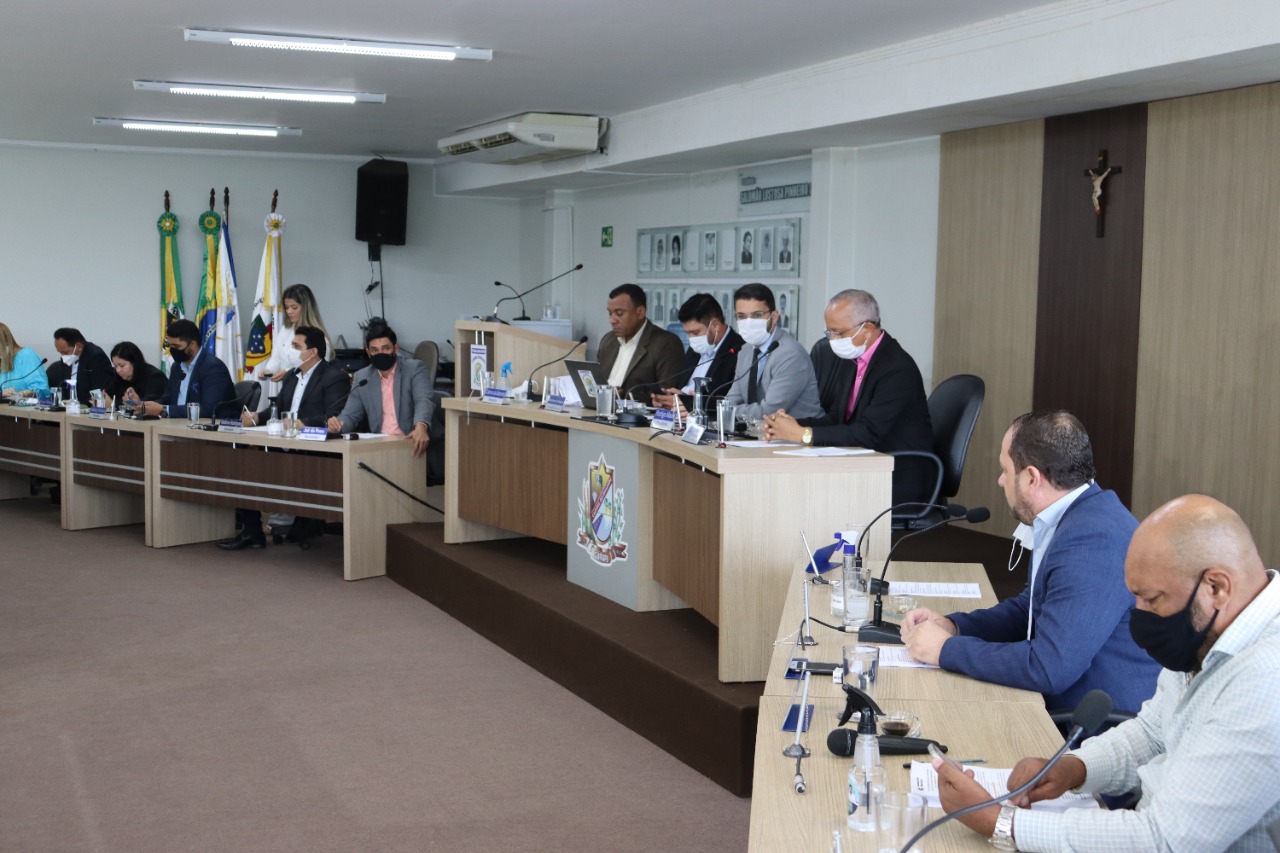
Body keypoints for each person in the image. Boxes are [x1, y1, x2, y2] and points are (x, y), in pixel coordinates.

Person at [935, 495, 1280, 853]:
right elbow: (1153, 734)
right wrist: (1074, 768)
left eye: (1153, 599)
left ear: (1216, 588)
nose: (1140, 615)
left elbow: (1165, 841)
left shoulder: (1265, 679)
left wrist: (1001, 823)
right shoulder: (1209, 634)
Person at [900, 411, 1160, 714]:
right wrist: (956, 627)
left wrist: (947, 650)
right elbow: (1030, 609)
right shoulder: (1073, 515)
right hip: (1063, 701)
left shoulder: (1093, 540)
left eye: (1005, 470)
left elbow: (1049, 668)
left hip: (1088, 723)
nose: (1000, 480)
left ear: (1032, 478)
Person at [764, 289, 934, 504]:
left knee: (807, 497)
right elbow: (837, 418)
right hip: (864, 465)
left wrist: (804, 435)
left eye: (838, 333)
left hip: (897, 475)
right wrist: (790, 425)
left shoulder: (897, 368)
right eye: (829, 333)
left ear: (867, 329)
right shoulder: (853, 360)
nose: (832, 340)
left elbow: (869, 433)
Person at [220, 326, 350, 551]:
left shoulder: (333, 377)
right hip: (283, 445)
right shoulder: (291, 375)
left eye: (296, 346)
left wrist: (302, 422)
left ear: (313, 352)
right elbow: (278, 409)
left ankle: (304, 519)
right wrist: (256, 417)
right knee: (244, 465)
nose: (290, 350)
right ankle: (252, 532)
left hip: (314, 451)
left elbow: (334, 415)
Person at [327, 320, 432, 458]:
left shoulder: (414, 369)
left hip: (410, 443)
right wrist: (337, 425)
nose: (380, 353)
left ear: (396, 348)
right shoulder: (362, 377)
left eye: (386, 348)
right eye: (374, 350)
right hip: (379, 446)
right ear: (368, 352)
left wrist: (421, 426)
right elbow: (351, 415)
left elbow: (423, 400)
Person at [721, 283, 822, 424]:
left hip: (799, 433)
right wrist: (725, 409)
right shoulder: (745, 351)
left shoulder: (790, 354)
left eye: (757, 315)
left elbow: (767, 412)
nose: (749, 323)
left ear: (774, 317)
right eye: (742, 316)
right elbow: (730, 401)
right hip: (757, 432)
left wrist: (729, 411)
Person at [650, 293, 745, 417]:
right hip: (679, 420)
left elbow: (731, 401)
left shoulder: (740, 351)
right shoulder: (695, 348)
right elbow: (685, 390)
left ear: (715, 325)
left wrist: (690, 403)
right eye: (688, 333)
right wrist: (670, 400)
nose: (691, 338)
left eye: (695, 332)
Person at [595, 283, 685, 400]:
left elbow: (666, 395)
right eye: (610, 313)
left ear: (640, 312)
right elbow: (596, 381)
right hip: (600, 407)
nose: (612, 320)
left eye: (619, 313)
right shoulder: (608, 340)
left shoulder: (667, 343)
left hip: (635, 410)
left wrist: (619, 396)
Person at [134, 319, 236, 420]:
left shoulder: (213, 368)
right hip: (180, 424)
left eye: (176, 346)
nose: (172, 350)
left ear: (192, 345)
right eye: (170, 346)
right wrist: (143, 406)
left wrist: (164, 409)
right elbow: (168, 399)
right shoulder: (177, 367)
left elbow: (209, 409)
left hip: (210, 427)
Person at [254, 283, 332, 384]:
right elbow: (276, 358)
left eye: (294, 307)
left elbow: (318, 371)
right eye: (287, 307)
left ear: (306, 308)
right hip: (287, 387)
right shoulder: (285, 329)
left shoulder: (318, 337)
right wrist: (268, 371)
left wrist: (288, 373)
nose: (289, 311)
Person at [52, 327, 113, 405]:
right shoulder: (66, 359)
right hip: (70, 406)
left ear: (79, 347)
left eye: (65, 352)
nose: (63, 356)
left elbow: (99, 390)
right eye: (60, 352)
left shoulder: (96, 357)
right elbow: (65, 385)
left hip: (89, 407)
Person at [105, 341, 167, 409]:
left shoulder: (155, 377)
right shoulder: (119, 377)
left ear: (134, 362)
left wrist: (113, 404)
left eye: (122, 366)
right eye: (115, 366)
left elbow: (150, 407)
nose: (118, 370)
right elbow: (106, 396)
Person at [0, 322, 50, 398]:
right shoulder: (3, 359)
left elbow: (43, 390)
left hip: (28, 404)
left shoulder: (27, 355)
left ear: (6, 341)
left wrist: (25, 393)